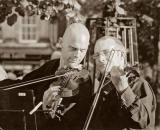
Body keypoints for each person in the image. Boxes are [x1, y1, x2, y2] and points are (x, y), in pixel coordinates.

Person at [0, 23, 92, 130]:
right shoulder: (51, 66)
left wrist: (45, 111)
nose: (77, 55)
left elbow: (69, 124)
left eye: (82, 50)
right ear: (61, 43)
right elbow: (22, 84)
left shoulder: (83, 83)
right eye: (73, 48)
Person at [88, 36, 156, 130]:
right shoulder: (102, 89)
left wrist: (124, 89)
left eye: (106, 52)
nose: (100, 59)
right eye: (96, 55)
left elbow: (143, 120)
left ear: (121, 55)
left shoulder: (139, 84)